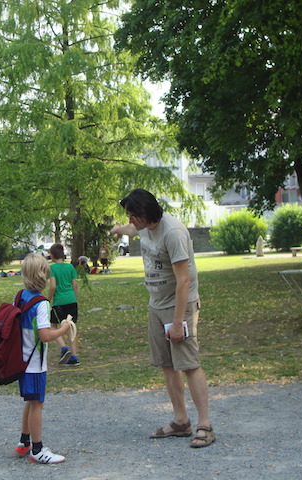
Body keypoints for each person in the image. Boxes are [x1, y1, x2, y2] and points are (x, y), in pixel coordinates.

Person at [110, 188, 215, 448]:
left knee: (188, 364)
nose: (130, 220)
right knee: (167, 364)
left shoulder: (173, 232)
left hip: (179, 305)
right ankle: (181, 421)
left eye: (133, 215)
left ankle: (205, 425)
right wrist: (119, 229)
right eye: (128, 216)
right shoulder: (143, 226)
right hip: (156, 305)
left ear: (146, 213)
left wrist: (178, 323)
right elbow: (132, 229)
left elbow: (184, 280)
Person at [13, 254, 71, 464]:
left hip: (21, 360)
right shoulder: (42, 304)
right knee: (37, 403)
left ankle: (24, 441)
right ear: (44, 275)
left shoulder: (20, 296)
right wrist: (64, 328)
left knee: (30, 401)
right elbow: (45, 336)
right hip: (35, 363)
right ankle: (37, 449)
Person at [48, 243, 80, 366]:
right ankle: (74, 356)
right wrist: (75, 297)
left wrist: (48, 299)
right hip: (71, 300)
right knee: (70, 328)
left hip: (59, 302)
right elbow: (75, 284)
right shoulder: (70, 267)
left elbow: (53, 286)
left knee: (52, 326)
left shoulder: (52, 268)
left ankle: (64, 348)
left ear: (52, 255)